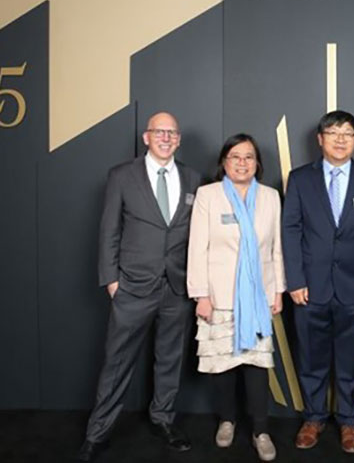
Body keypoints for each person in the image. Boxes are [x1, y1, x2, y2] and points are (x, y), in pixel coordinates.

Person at [78, 112, 201, 462]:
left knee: (169, 359)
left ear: (178, 139)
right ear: (146, 137)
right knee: (117, 362)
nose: (166, 137)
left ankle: (163, 419)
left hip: (176, 287)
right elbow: (108, 231)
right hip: (132, 286)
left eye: (172, 133)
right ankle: (97, 432)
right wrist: (112, 280)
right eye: (159, 132)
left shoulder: (193, 177)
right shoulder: (122, 175)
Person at [282, 110, 354, 454]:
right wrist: (295, 280)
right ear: (320, 139)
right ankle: (313, 417)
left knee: (350, 359)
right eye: (333, 132)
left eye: (348, 133)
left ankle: (348, 421)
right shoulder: (299, 179)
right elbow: (290, 231)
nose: (340, 139)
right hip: (309, 289)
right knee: (311, 357)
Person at [186, 133, 286, 462]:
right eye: (235, 156)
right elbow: (197, 247)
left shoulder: (270, 196)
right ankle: (227, 421)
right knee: (223, 368)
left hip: (258, 296)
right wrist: (201, 294)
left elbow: (276, 248)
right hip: (218, 296)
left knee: (257, 368)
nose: (242, 163)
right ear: (224, 163)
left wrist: (278, 290)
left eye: (249, 157)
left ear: (257, 163)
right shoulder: (208, 195)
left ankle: (261, 430)